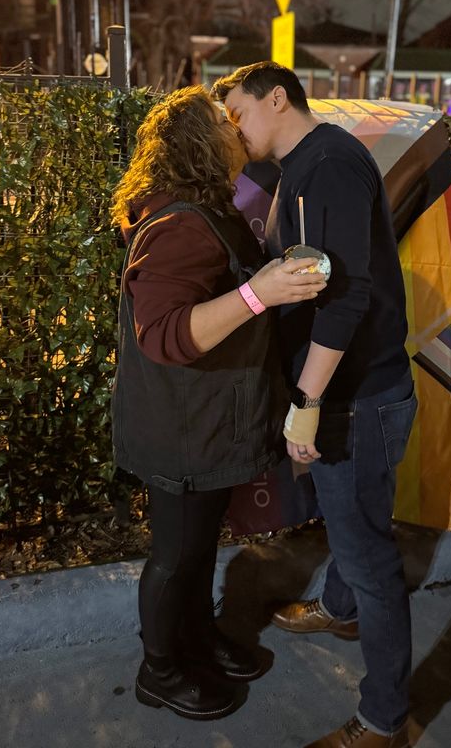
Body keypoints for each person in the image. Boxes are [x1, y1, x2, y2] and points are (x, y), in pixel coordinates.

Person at [211, 63, 417, 748]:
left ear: (278, 99)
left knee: (368, 553)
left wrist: (307, 400)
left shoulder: (325, 165)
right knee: (351, 518)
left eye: (237, 113)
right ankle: (339, 607)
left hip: (355, 396)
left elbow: (345, 296)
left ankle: (384, 719)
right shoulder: (305, 164)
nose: (233, 130)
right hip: (352, 391)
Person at [110, 86, 327, 722]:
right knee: (175, 555)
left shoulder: (207, 209)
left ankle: (196, 642)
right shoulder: (179, 225)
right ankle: (160, 668)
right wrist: (259, 294)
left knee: (198, 547)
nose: (239, 130)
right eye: (225, 123)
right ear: (202, 146)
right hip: (181, 427)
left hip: (203, 423)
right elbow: (166, 335)